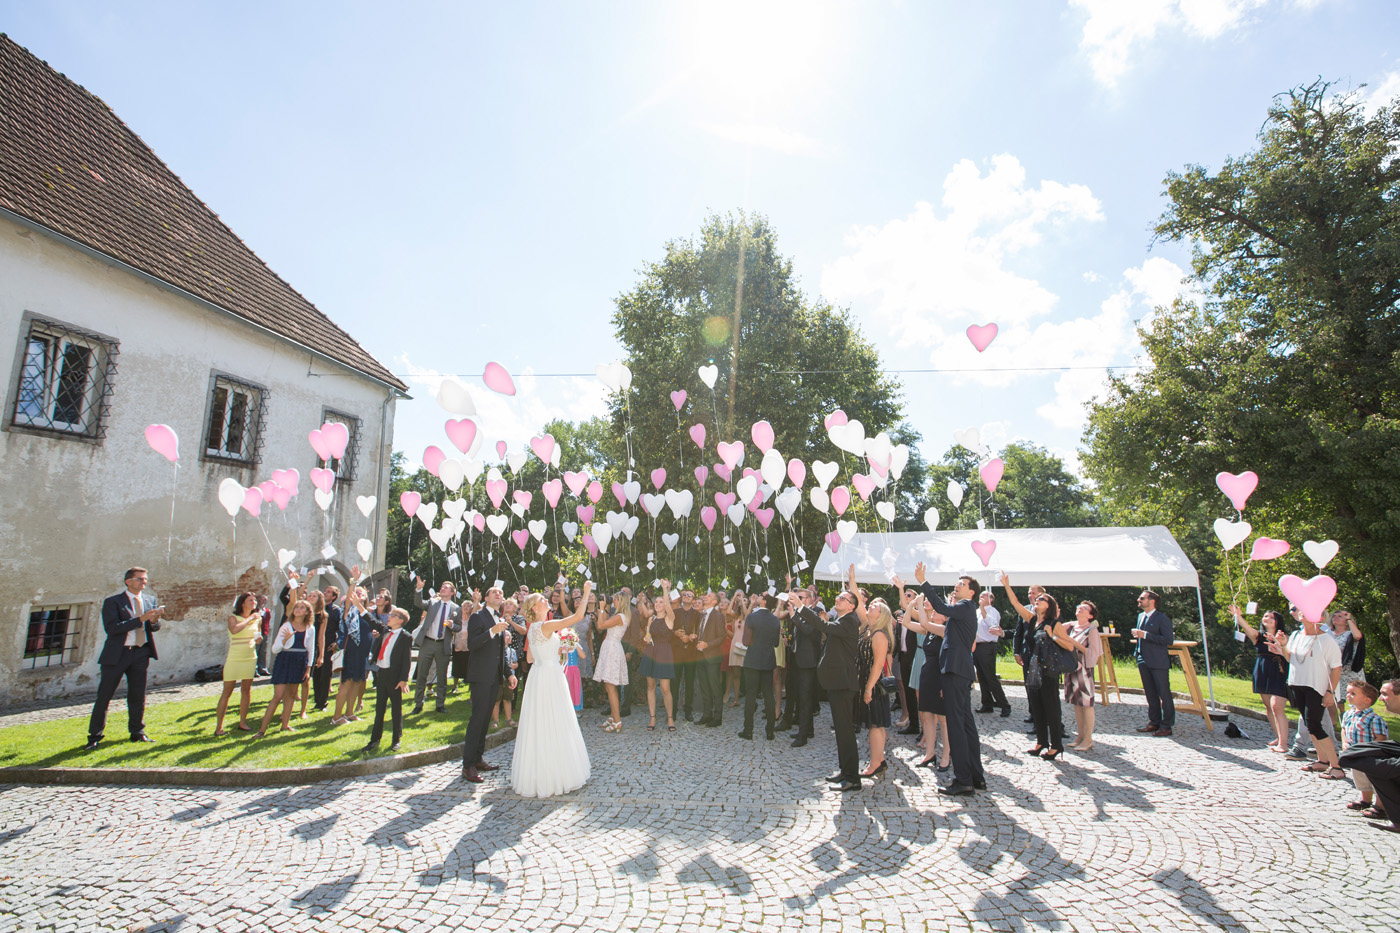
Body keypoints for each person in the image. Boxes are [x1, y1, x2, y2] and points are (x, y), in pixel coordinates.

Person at [510, 581, 594, 797]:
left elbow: (530, 657)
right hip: (550, 677)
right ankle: (557, 773)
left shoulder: (533, 630)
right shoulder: (545, 626)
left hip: (539, 676)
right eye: (542, 599)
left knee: (540, 722)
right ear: (535, 608)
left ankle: (538, 773)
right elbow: (576, 618)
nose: (546, 599)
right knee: (555, 720)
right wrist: (585, 594)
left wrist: (554, 650)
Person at [914, 565, 985, 795]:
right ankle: (976, 776)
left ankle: (963, 779)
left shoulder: (964, 606)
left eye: (962, 584)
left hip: (955, 670)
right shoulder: (964, 609)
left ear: (972, 591)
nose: (957, 585)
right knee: (966, 723)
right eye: (958, 582)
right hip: (958, 670)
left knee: (956, 725)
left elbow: (941, 607)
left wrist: (923, 582)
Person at [86, 567, 165, 750]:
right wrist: (141, 619)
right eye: (140, 579)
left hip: (141, 652)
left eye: (145, 580)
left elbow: (153, 628)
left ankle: (137, 731)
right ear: (128, 581)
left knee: (137, 695)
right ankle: (95, 736)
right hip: (118, 653)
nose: (143, 582)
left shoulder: (149, 600)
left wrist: (154, 621)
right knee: (104, 695)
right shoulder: (114, 602)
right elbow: (112, 629)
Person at [1275, 606, 1344, 780]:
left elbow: (1336, 668)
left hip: (1316, 687)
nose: (1301, 612)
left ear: (1319, 616)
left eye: (1307, 609)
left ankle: (1336, 766)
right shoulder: (1297, 635)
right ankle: (1322, 760)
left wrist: (1330, 692)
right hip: (1297, 684)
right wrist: (1283, 645)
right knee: (1308, 723)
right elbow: (1290, 658)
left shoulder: (1327, 640)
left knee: (1314, 725)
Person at [460, 586, 518, 783]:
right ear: (486, 598)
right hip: (480, 676)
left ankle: (478, 759)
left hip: (495, 678)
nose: (499, 594)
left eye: (501, 593)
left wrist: (509, 673)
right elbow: (472, 644)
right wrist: (492, 631)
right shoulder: (478, 617)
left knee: (485, 720)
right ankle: (467, 765)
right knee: (477, 719)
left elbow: (500, 653)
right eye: (494, 592)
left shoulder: (500, 620)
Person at [818, 570, 863, 792]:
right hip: (837, 683)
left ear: (852, 606)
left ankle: (853, 778)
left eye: (843, 598)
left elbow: (824, 627)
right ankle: (845, 772)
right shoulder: (842, 618)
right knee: (841, 732)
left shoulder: (849, 621)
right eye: (838, 596)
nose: (838, 598)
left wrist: (800, 607)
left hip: (844, 684)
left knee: (845, 731)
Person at [896, 589, 948, 771]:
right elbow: (908, 623)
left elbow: (923, 620)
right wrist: (911, 604)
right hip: (926, 676)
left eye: (938, 611)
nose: (934, 613)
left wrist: (919, 602)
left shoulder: (943, 630)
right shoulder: (930, 632)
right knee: (926, 715)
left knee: (943, 719)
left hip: (939, 678)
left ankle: (946, 756)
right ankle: (930, 754)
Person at [1338, 678, 1400, 832]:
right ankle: (1397, 820)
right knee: (1371, 764)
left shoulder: (1374, 719)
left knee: (1375, 764)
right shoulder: (1350, 714)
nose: (1380, 699)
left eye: (1385, 694)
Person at [1230, 605, 1291, 752]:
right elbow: (1246, 628)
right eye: (1265, 616)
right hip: (1263, 671)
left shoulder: (1285, 636)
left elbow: (1289, 653)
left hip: (1280, 670)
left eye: (1271, 617)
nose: (1267, 619)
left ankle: (1283, 744)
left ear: (1278, 621)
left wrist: (1279, 642)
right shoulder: (1258, 636)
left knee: (1277, 705)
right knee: (1269, 706)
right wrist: (1238, 616)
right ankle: (1279, 737)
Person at [254, 598, 313, 738]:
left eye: (302, 608)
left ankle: (285, 724)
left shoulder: (310, 628)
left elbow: (310, 650)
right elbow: (275, 649)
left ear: (307, 612)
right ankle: (262, 729)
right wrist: (284, 640)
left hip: (300, 661)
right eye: (297, 607)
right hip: (285, 659)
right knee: (278, 696)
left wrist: (308, 669)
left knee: (291, 695)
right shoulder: (286, 626)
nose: (298, 609)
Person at [360, 606, 413, 753]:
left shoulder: (405, 637)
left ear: (400, 621)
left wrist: (403, 679)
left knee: (396, 709)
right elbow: (371, 620)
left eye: (394, 615)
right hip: (381, 674)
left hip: (395, 677)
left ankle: (396, 739)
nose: (389, 616)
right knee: (379, 708)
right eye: (390, 614)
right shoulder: (385, 631)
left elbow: (406, 660)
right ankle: (374, 739)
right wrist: (359, 605)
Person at [333, 587, 385, 725]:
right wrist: (353, 582)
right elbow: (349, 600)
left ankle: (349, 713)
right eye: (356, 592)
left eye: (361, 592)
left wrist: (374, 634)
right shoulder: (350, 610)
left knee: (358, 681)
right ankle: (336, 716)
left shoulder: (366, 612)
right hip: (351, 650)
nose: (358, 593)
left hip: (363, 652)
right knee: (347, 682)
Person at [213, 592, 262, 735]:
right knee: (227, 691)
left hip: (250, 656)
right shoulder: (233, 618)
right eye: (250, 600)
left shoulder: (257, 619)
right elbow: (234, 630)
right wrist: (250, 619)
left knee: (246, 690)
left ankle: (242, 722)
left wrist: (259, 639)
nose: (254, 602)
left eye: (254, 600)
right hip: (235, 657)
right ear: (242, 603)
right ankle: (219, 727)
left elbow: (257, 636)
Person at [857, 598, 894, 779]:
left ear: (881, 615)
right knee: (875, 723)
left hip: (874, 684)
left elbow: (878, 665)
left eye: (875, 607)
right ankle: (879, 759)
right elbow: (858, 606)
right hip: (867, 681)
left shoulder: (879, 634)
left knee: (875, 724)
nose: (871, 606)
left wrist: (868, 689)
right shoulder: (867, 629)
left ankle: (875, 763)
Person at [412, 578, 460, 714]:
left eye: (446, 587)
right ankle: (418, 703)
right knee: (422, 674)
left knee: (442, 676)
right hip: (427, 642)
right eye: (442, 587)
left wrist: (452, 625)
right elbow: (418, 603)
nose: (442, 588)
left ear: (452, 592)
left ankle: (440, 704)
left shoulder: (456, 608)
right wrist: (419, 589)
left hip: (442, 644)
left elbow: (459, 627)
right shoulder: (433, 603)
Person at [1340, 681, 1389, 816]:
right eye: (1348, 692)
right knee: (1359, 777)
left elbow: (1381, 738)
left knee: (1374, 779)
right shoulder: (1348, 714)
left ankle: (1380, 806)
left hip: (1370, 755)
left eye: (1353, 693)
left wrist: (1369, 749)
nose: (1349, 695)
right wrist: (1345, 744)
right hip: (1355, 754)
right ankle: (1365, 800)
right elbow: (1344, 730)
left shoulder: (1373, 719)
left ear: (1367, 700)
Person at [1132, 589, 1176, 737]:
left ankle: (1166, 726)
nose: (1139, 600)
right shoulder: (1140, 616)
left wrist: (1144, 635)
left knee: (1164, 694)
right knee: (1150, 694)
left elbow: (1168, 640)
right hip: (1142, 659)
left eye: (1142, 598)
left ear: (1152, 601)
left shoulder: (1162, 619)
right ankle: (1154, 722)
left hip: (1158, 662)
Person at [784, 587, 825, 747]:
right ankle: (808, 729)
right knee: (801, 698)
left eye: (799, 597)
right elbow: (796, 635)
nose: (795, 599)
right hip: (796, 659)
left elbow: (808, 631)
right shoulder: (797, 614)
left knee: (806, 698)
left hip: (808, 662)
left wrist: (794, 616)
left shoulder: (812, 614)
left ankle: (803, 735)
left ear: (808, 600)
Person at [738, 593, 781, 740]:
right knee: (768, 695)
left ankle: (748, 730)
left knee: (750, 695)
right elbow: (776, 642)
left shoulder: (751, 617)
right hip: (768, 661)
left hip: (752, 660)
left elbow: (745, 641)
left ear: (763, 602)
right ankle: (770, 731)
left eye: (761, 596)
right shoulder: (775, 620)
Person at [1064, 600, 1103, 752]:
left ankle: (1088, 738)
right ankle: (1080, 735)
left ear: (1090, 615)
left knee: (1086, 704)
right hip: (1072, 668)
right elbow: (1059, 628)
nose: (1080, 609)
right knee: (1076, 703)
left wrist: (1074, 643)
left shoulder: (1091, 630)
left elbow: (1093, 653)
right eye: (1078, 607)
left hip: (1084, 669)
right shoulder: (1073, 627)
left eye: (1084, 608)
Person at [638, 588, 677, 731]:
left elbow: (668, 605)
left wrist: (665, 589)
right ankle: (652, 718)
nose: (658, 604)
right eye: (657, 602)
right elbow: (648, 637)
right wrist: (646, 638)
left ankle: (670, 718)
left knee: (666, 689)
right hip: (651, 652)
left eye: (661, 602)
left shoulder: (669, 618)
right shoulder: (651, 619)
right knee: (650, 686)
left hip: (664, 653)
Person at [594, 592, 630, 732]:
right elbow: (605, 622)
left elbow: (601, 626)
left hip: (612, 649)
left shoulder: (620, 617)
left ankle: (618, 721)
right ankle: (612, 716)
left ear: (620, 601)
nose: (612, 600)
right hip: (611, 647)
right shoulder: (619, 616)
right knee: (609, 685)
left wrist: (602, 608)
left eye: (614, 599)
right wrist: (606, 607)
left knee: (610, 686)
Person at [1012, 583, 1045, 728]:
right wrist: (1016, 652)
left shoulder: (1049, 611)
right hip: (1026, 654)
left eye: (1033, 593)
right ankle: (1034, 714)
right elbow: (1018, 633)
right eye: (1029, 593)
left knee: (1042, 688)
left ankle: (1047, 718)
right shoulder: (1024, 610)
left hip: (1042, 655)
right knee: (1029, 686)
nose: (1030, 596)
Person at [974, 590, 1012, 717]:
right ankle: (987, 703)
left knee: (990, 677)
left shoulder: (993, 611)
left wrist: (983, 610)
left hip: (987, 646)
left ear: (991, 599)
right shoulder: (976, 612)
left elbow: (993, 626)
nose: (982, 596)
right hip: (977, 646)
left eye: (985, 595)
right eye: (981, 595)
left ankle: (1004, 704)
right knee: (981, 676)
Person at [694, 591, 728, 727]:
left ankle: (717, 717)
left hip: (712, 657)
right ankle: (707, 714)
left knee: (715, 687)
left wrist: (707, 644)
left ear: (714, 602)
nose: (705, 597)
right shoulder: (702, 615)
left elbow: (721, 637)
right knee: (704, 687)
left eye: (708, 596)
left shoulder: (717, 616)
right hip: (700, 656)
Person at [672, 589, 702, 722]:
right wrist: (675, 634)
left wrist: (692, 637)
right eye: (684, 595)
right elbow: (668, 629)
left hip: (691, 652)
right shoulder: (675, 613)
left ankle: (688, 710)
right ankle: (672, 710)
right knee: (674, 682)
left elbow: (701, 632)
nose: (686, 596)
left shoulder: (698, 615)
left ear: (693, 600)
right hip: (676, 652)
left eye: (690, 595)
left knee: (689, 682)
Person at [725, 592, 750, 707]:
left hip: (746, 645)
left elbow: (746, 614)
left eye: (745, 600)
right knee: (736, 673)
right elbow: (728, 612)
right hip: (735, 644)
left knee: (749, 673)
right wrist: (734, 597)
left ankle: (751, 699)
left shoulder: (749, 614)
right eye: (742, 600)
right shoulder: (736, 616)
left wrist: (743, 604)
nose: (742, 601)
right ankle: (736, 700)